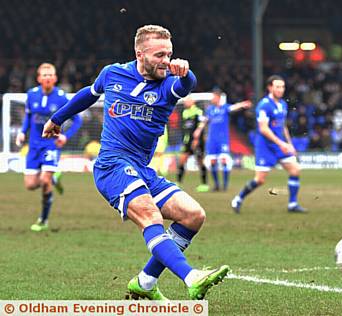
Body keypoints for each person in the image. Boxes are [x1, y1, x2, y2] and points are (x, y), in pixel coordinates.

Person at [42, 25, 229, 300]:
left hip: (142, 169)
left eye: (170, 54)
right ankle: (192, 277)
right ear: (139, 54)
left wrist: (186, 72)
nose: (166, 60)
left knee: (193, 215)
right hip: (112, 165)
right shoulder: (113, 73)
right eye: (159, 55)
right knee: (150, 215)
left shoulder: (167, 84)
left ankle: (145, 282)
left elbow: (187, 85)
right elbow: (89, 93)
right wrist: (57, 118)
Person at [15, 63, 82, 232]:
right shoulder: (31, 95)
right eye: (44, 75)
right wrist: (23, 132)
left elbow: (77, 120)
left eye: (50, 75)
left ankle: (43, 220)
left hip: (51, 145)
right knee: (30, 185)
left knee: (44, 182)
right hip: (34, 146)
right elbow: (29, 116)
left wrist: (65, 136)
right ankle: (54, 178)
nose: (47, 78)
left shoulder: (61, 97)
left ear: (55, 78)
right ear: (38, 78)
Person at [231, 75, 306, 213]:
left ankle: (292, 204)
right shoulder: (264, 105)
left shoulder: (283, 104)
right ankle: (238, 199)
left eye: (282, 86)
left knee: (295, 169)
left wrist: (290, 144)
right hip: (265, 146)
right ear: (270, 87)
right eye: (277, 86)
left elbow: (283, 126)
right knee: (260, 180)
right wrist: (282, 144)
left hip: (280, 145)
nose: (281, 89)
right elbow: (263, 129)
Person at [195, 88, 251, 192]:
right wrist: (198, 131)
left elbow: (234, 107)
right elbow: (205, 121)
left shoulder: (225, 108)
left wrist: (243, 104)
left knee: (224, 161)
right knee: (212, 162)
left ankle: (225, 185)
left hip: (222, 139)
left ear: (219, 97)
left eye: (214, 97)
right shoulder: (210, 109)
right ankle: (217, 185)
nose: (212, 99)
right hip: (212, 140)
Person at [176, 97, 209, 192]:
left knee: (200, 161)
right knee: (182, 160)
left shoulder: (198, 111)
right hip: (187, 141)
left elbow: (201, 125)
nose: (185, 102)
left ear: (193, 102)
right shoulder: (184, 112)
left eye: (187, 100)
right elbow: (185, 130)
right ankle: (178, 182)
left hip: (197, 141)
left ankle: (204, 184)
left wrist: (197, 139)